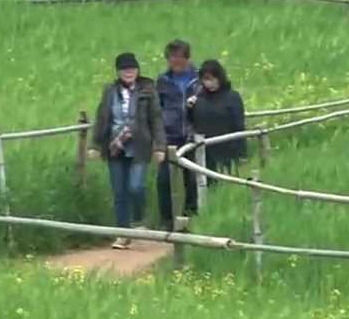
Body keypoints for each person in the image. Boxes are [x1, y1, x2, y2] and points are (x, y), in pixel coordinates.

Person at [90, 53, 164, 249]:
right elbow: (102, 118)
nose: (128, 72)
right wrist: (95, 145)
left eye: (131, 69)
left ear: (138, 70)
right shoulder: (110, 91)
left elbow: (156, 119)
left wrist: (159, 146)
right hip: (115, 146)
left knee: (136, 187)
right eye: (124, 69)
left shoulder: (148, 90)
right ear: (118, 72)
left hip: (139, 146)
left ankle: (138, 221)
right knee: (119, 192)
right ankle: (123, 233)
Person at [155, 39, 199, 227]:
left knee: (193, 179)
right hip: (169, 135)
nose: (176, 63)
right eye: (172, 59)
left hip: (193, 135)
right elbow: (156, 109)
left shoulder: (199, 79)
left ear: (187, 58)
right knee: (164, 179)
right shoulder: (163, 80)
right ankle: (167, 220)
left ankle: (191, 217)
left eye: (179, 59)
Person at [186, 60, 246, 176]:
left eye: (212, 79)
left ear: (220, 77)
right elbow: (192, 122)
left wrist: (242, 153)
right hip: (204, 153)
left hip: (227, 152)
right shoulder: (199, 98)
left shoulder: (232, 97)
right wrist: (189, 108)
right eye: (205, 79)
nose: (209, 83)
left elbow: (239, 125)